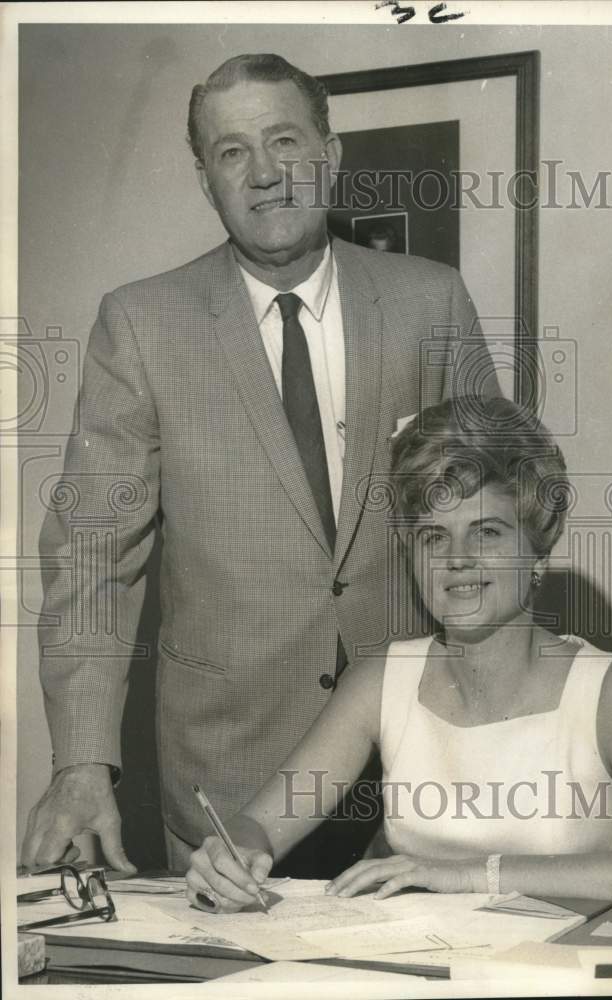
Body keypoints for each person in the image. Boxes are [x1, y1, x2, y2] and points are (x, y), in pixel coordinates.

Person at [22, 53, 495, 875]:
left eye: (285, 139)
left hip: (420, 768)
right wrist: (80, 764)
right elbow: (93, 555)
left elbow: (499, 526)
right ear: (206, 179)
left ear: (330, 153)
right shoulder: (141, 324)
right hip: (227, 788)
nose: (266, 173)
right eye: (233, 152)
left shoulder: (431, 301)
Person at [186, 396, 612, 909]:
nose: (457, 559)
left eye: (486, 532)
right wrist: (230, 853)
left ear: (536, 548)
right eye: (434, 537)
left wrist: (470, 875)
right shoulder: (380, 682)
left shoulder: (610, 689)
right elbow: (257, 824)